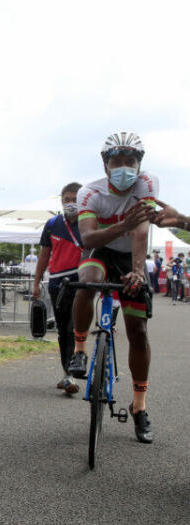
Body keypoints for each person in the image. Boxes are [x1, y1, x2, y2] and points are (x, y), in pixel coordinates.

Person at [66, 132, 156, 443]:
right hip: (100, 249)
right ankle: (79, 350)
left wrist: (137, 272)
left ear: (138, 164)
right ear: (105, 165)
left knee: (138, 332)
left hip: (131, 253)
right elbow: (89, 238)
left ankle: (139, 406)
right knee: (87, 282)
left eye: (130, 161)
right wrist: (122, 224)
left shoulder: (146, 184)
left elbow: (141, 231)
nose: (123, 167)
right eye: (116, 161)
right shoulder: (90, 193)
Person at [32, 182, 83, 394]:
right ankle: (66, 373)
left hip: (82, 281)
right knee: (63, 330)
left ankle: (75, 368)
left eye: (75, 199)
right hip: (57, 283)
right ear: (61, 201)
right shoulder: (53, 224)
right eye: (67, 199)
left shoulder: (91, 222)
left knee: (75, 327)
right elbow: (44, 255)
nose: (70, 203)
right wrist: (36, 283)